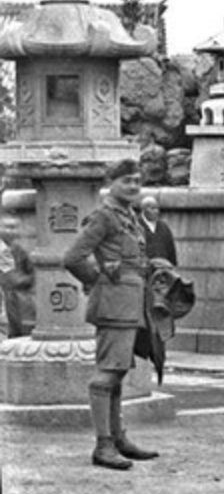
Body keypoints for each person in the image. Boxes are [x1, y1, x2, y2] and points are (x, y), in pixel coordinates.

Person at [62, 158, 161, 470]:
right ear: (112, 183)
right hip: (114, 305)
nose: (133, 186)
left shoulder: (129, 215)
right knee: (105, 376)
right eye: (126, 181)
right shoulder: (104, 217)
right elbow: (73, 257)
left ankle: (118, 439)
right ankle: (103, 446)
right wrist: (99, 280)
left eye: (136, 180)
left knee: (117, 373)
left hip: (130, 304)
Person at [0, 211, 35, 337]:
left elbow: (32, 273)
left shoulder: (20, 250)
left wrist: (20, 281)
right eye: (7, 227)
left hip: (18, 298)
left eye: (14, 227)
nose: (11, 231)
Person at [138, 194, 177, 266]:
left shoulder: (163, 226)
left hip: (163, 267)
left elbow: (170, 248)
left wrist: (173, 264)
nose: (156, 211)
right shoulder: (136, 226)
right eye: (152, 208)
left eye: (157, 208)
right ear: (144, 210)